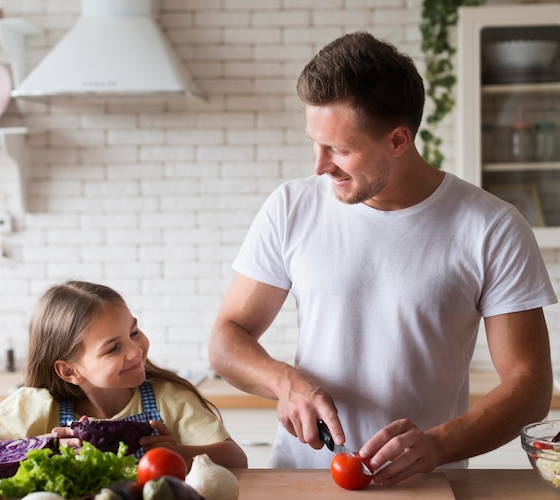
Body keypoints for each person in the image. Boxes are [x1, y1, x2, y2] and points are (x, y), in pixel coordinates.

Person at [208, 31, 557, 485]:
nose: (319, 166)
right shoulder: (292, 206)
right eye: (315, 143)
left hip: (424, 485)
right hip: (302, 479)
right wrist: (284, 383)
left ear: (398, 140)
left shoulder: (491, 227)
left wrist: (438, 444)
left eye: (340, 149)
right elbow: (225, 339)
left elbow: (529, 386)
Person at [0, 280, 247, 474]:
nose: (135, 351)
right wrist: (38, 447)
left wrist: (176, 452)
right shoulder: (39, 405)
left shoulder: (170, 397)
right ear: (69, 371)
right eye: (113, 348)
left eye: (134, 332)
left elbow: (235, 459)